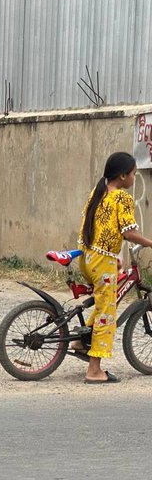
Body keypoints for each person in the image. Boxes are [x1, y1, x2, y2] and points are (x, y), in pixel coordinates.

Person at [77, 152, 152, 384]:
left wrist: (112, 257)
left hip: (88, 257)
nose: (135, 177)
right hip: (102, 261)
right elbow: (128, 233)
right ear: (122, 176)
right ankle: (94, 370)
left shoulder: (97, 192)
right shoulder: (121, 198)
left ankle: (79, 341)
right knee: (107, 314)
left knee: (102, 303)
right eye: (133, 174)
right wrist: (150, 242)